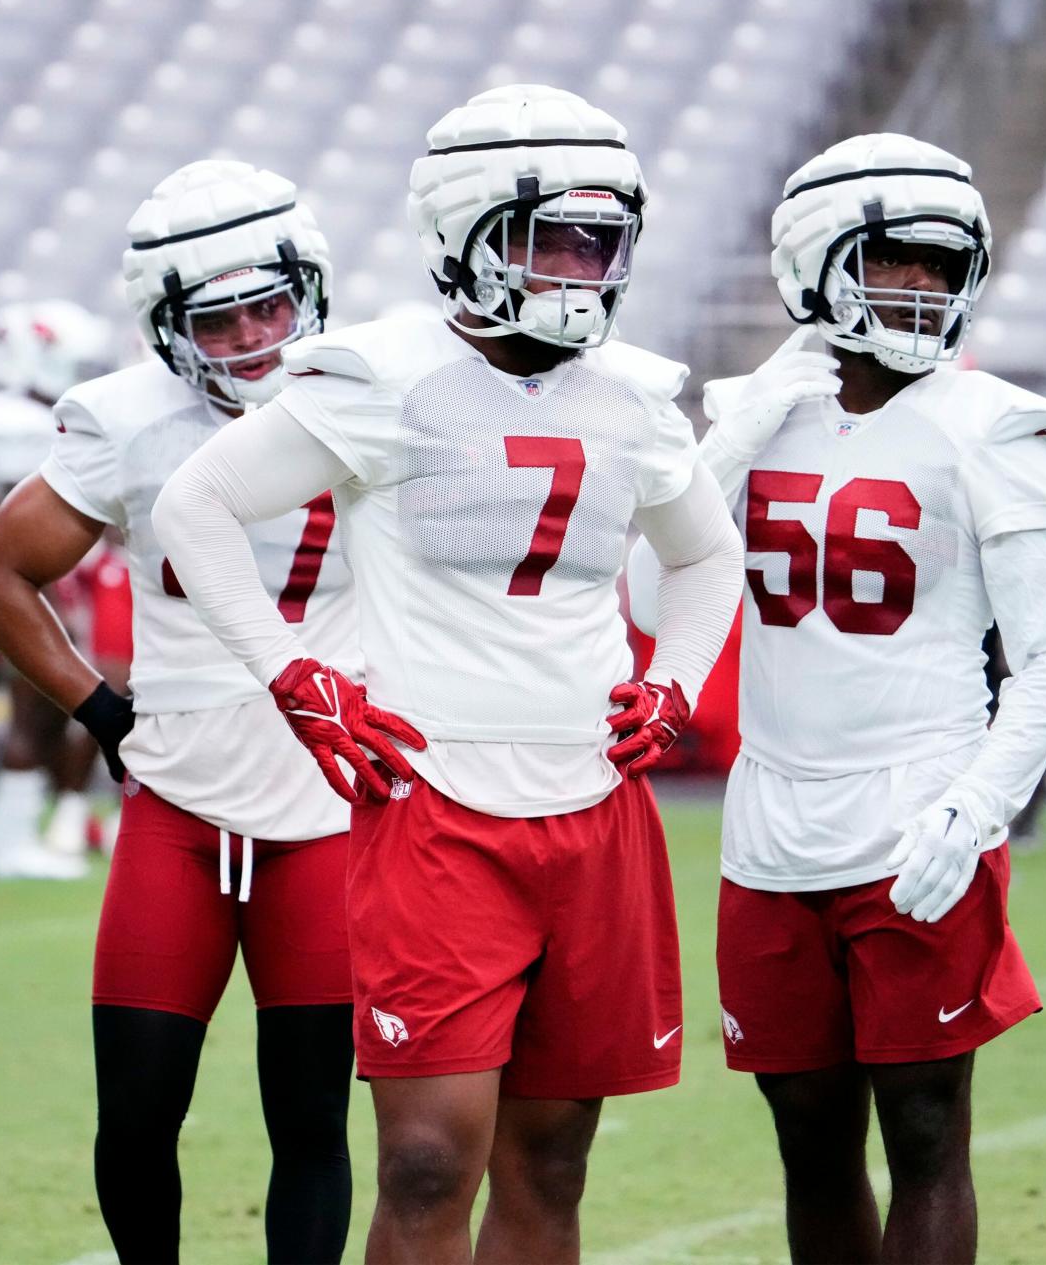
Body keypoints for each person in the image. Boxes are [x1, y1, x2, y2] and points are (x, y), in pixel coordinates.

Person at [151, 84, 746, 1265]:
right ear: (463, 236)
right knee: (426, 1156)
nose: (583, 266)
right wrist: (293, 674)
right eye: (553, 234)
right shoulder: (382, 372)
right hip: (436, 800)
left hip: (592, 797)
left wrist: (674, 679)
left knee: (555, 1160)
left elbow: (706, 552)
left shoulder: (630, 390)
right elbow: (195, 504)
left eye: (603, 237)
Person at [629, 132, 1046, 1264]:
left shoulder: (995, 427)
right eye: (898, 261)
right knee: (809, 1138)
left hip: (918, 806)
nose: (926, 286)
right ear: (817, 262)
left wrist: (972, 808)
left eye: (944, 264)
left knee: (927, 1131)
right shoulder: (755, 409)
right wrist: (727, 437)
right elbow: (649, 591)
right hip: (771, 817)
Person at [0, 160, 359, 1264]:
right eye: (216, 318)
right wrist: (97, 708)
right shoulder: (134, 419)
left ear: (310, 290)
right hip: (178, 804)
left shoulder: (378, 395)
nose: (247, 339)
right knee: (136, 1120)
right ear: (166, 326)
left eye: (266, 306)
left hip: (326, 810)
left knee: (312, 1123)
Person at [0, 300, 113, 874]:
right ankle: (9, 838)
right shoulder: (18, 421)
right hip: (5, 569)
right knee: (27, 703)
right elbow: (21, 510)